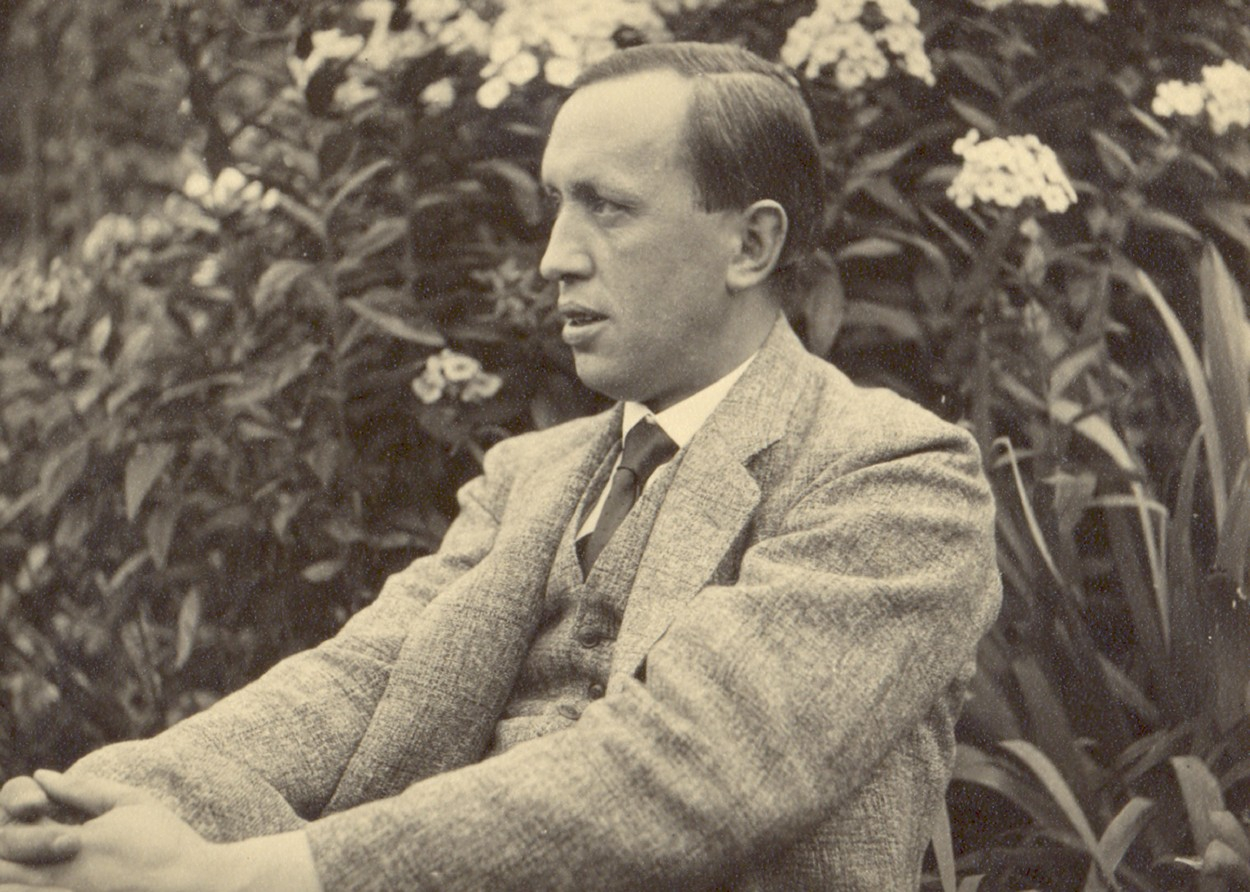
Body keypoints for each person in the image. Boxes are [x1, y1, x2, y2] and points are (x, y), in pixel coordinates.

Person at [0, 41, 1000, 891]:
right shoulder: (533, 473)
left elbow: (694, 768)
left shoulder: (893, 476)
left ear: (751, 243)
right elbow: (363, 680)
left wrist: (254, 875)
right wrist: (90, 807)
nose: (553, 257)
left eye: (606, 207)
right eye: (555, 204)